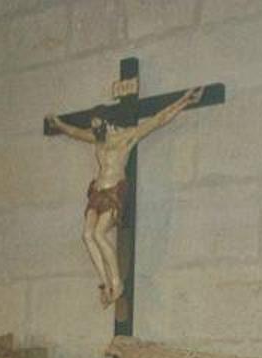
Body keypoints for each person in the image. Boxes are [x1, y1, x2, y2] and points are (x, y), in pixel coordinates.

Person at [45, 86, 203, 307]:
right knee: (87, 235)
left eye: (97, 125)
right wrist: (58, 123)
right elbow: (74, 133)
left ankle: (117, 283)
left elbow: (159, 119)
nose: (94, 131)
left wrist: (184, 101)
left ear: (107, 121)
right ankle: (104, 283)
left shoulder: (126, 136)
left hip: (113, 191)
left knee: (100, 234)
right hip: (97, 192)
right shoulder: (97, 139)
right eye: (93, 127)